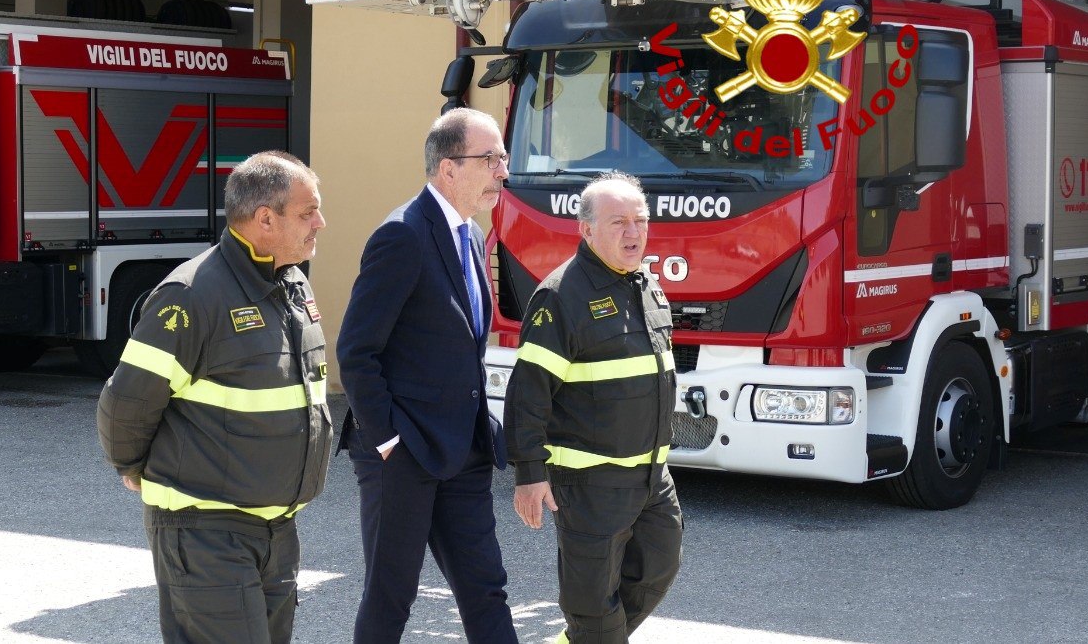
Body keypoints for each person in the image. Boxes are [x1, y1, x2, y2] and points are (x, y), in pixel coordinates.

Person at [97, 151, 331, 644]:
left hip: (276, 531)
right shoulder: (191, 295)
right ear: (265, 219)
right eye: (308, 212)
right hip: (204, 532)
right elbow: (126, 403)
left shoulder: (290, 282)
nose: (320, 223)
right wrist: (132, 466)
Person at [336, 107, 518, 644]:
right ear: (448, 168)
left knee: (485, 588)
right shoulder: (402, 236)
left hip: (463, 450)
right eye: (491, 159)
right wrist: (389, 439)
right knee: (392, 597)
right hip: (405, 453)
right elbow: (356, 351)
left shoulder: (468, 234)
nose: (502, 171)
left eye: (502, 158)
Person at [506, 171, 683, 643]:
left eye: (640, 221)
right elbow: (527, 394)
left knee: (657, 572)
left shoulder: (643, 284)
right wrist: (529, 474)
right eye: (619, 222)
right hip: (590, 484)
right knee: (593, 608)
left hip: (651, 476)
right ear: (586, 230)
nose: (634, 232)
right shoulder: (562, 295)